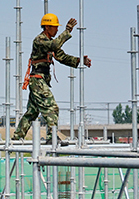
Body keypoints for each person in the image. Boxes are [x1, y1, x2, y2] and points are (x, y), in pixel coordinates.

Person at [12, 13, 91, 144]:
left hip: (39, 81)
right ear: (47, 27)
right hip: (37, 80)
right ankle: (51, 137)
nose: (57, 29)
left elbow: (62, 57)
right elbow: (55, 46)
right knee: (52, 108)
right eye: (55, 27)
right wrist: (67, 32)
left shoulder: (49, 43)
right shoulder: (40, 40)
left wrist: (80, 61)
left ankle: (17, 137)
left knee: (32, 112)